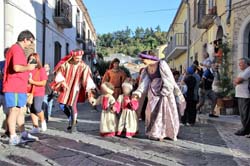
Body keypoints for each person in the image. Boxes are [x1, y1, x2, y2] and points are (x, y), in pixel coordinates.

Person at [133, 53, 186, 141]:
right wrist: (138, 92)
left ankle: (164, 133)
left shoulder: (161, 64)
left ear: (149, 58)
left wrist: (165, 91)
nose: (142, 61)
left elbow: (169, 79)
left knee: (163, 112)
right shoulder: (146, 70)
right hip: (152, 94)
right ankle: (153, 132)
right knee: (150, 112)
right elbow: (144, 82)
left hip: (164, 93)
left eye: (143, 59)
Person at [3, 30, 38, 145]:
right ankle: (13, 136)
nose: (31, 45)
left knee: (20, 111)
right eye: (31, 42)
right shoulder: (17, 49)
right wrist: (29, 67)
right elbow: (17, 68)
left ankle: (23, 134)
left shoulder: (17, 50)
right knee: (14, 110)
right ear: (25, 39)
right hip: (14, 86)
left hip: (18, 86)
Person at [52, 49, 96, 133]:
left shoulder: (84, 66)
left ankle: (73, 125)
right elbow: (59, 73)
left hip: (76, 88)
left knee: (72, 106)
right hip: (66, 87)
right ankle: (71, 118)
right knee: (62, 105)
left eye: (80, 58)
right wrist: (62, 82)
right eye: (77, 58)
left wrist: (89, 90)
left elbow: (87, 78)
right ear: (73, 57)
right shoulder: (66, 64)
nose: (79, 60)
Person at [27, 53, 48, 133]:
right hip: (29, 92)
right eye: (30, 59)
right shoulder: (27, 69)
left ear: (37, 60)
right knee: (32, 109)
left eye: (33, 59)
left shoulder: (41, 70)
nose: (31, 60)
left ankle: (43, 121)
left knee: (37, 108)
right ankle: (35, 127)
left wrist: (33, 82)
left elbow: (43, 83)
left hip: (38, 92)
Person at [234, 57, 250, 136]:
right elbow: (235, 81)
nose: (239, 65)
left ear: (246, 63)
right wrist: (238, 80)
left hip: (245, 95)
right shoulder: (242, 72)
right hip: (240, 95)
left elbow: (238, 80)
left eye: (241, 63)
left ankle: (245, 130)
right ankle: (246, 129)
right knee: (243, 114)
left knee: (245, 115)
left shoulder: (248, 70)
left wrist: (238, 80)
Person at [0, 48, 9, 137]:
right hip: (0, 91)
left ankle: (7, 130)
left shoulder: (13, 65)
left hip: (8, 92)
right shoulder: (1, 64)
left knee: (8, 113)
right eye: (5, 53)